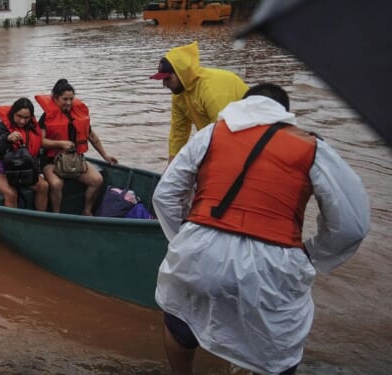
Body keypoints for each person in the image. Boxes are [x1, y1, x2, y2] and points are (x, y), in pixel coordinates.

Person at [152, 83, 371, 375]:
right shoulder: (312, 147)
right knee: (275, 353)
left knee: (180, 321)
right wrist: (312, 255)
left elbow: (165, 195)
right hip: (272, 264)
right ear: (285, 113)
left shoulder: (211, 134)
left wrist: (186, 239)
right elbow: (352, 225)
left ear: (243, 104)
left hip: (198, 249)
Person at [150, 41, 248, 162]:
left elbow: (225, 135)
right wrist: (169, 170)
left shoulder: (211, 90)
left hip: (246, 137)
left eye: (168, 79)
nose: (164, 84)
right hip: (220, 136)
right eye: (163, 80)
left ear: (182, 74)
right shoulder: (179, 94)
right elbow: (178, 134)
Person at [36, 79, 118, 215]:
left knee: (97, 180)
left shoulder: (80, 115)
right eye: (64, 99)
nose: (68, 102)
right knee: (56, 184)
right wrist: (60, 143)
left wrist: (105, 155)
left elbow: (92, 136)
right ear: (56, 98)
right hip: (51, 160)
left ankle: (87, 210)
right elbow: (41, 141)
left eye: (71, 99)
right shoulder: (47, 117)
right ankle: (56, 214)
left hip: (75, 158)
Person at [0, 98, 49, 210]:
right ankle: (13, 224)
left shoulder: (32, 129)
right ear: (13, 113)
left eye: (26, 118)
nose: (22, 121)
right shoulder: (0, 127)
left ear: (31, 117)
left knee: (44, 186)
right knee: (11, 193)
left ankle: (40, 219)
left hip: (22, 171)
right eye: (19, 116)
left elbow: (36, 153)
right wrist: (6, 139)